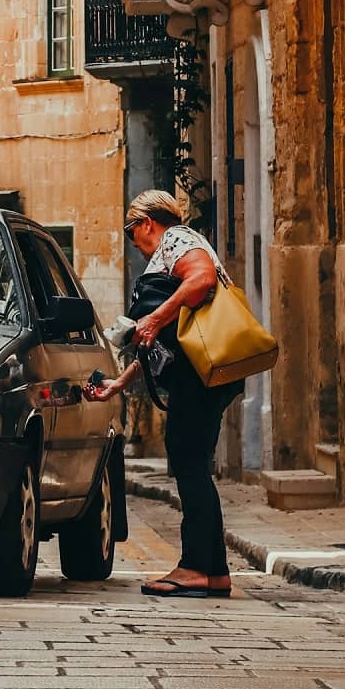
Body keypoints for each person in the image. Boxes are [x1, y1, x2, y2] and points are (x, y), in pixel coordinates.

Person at [88, 189, 239, 598]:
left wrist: (152, 318)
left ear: (145, 224)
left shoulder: (178, 241)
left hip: (199, 375)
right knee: (193, 464)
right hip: (198, 373)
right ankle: (214, 571)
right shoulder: (176, 247)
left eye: (130, 232)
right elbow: (173, 340)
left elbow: (202, 279)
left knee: (188, 463)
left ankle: (194, 567)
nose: (134, 244)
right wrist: (121, 382)